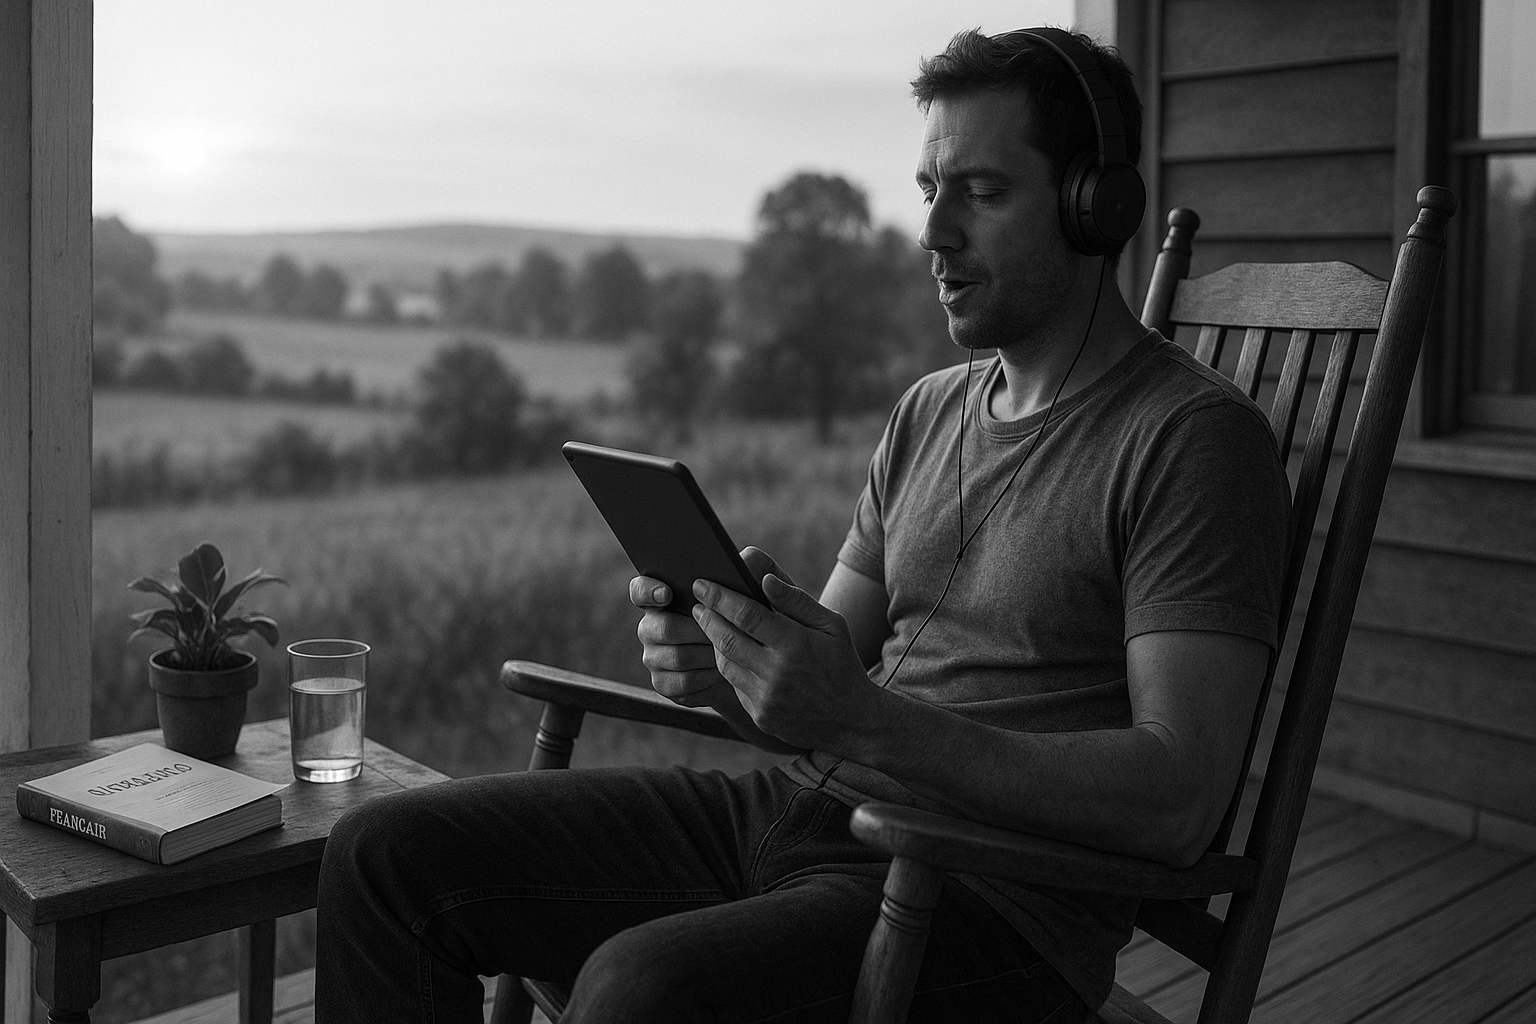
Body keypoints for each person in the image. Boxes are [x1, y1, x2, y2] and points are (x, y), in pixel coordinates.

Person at [314, 27, 1289, 1024]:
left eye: (983, 194)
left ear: (1096, 207)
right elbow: (815, 696)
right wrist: (736, 664)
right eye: (929, 191)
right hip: (799, 815)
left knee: (638, 989)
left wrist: (863, 720)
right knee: (385, 856)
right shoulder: (930, 410)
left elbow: (1180, 798)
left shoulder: (1190, 440)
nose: (935, 234)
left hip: (981, 901)